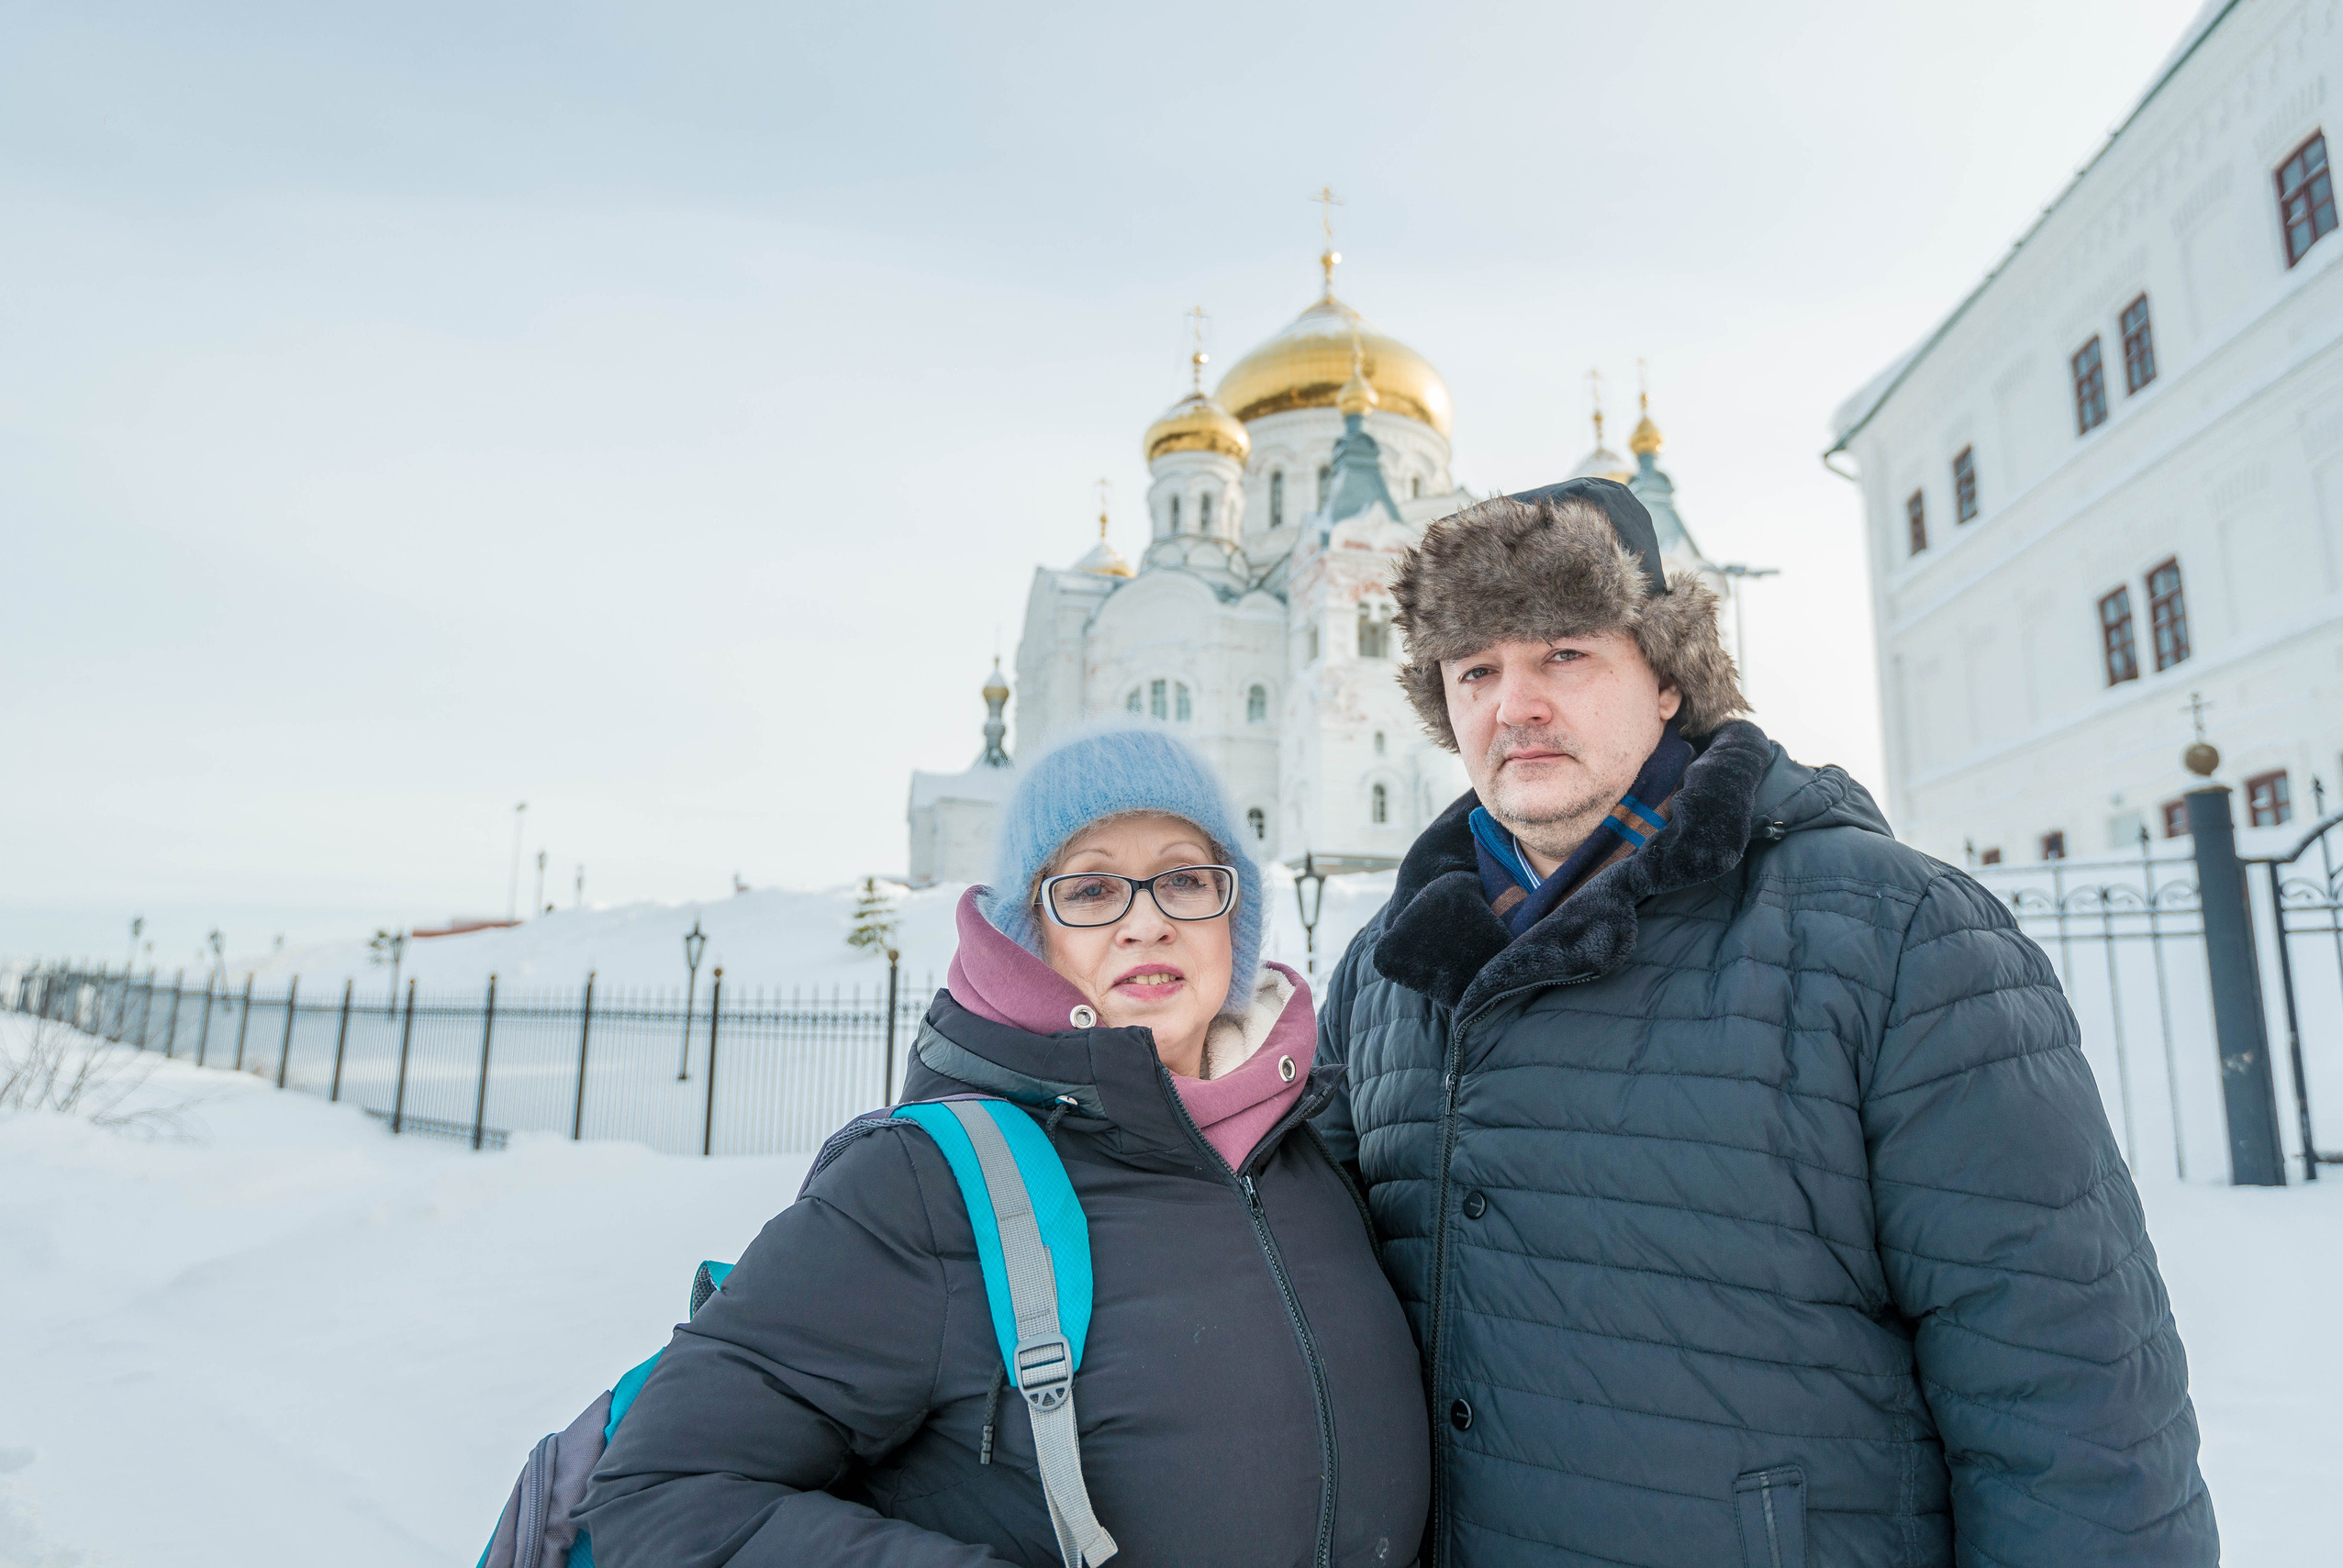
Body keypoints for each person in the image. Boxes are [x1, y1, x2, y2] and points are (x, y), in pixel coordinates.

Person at [1313, 479, 2219, 1567]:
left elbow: (2068, 1387)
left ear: (1664, 679)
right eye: (1475, 670)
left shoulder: (1892, 935)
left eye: (1563, 653)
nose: (1514, 704)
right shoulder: (1388, 973)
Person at [575, 727, 1430, 1566]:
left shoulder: (1304, 1139)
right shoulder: (922, 1184)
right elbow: (663, 1492)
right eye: (1093, 890)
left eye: (1185, 878)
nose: (1148, 922)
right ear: (1032, 933)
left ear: (1231, 918)